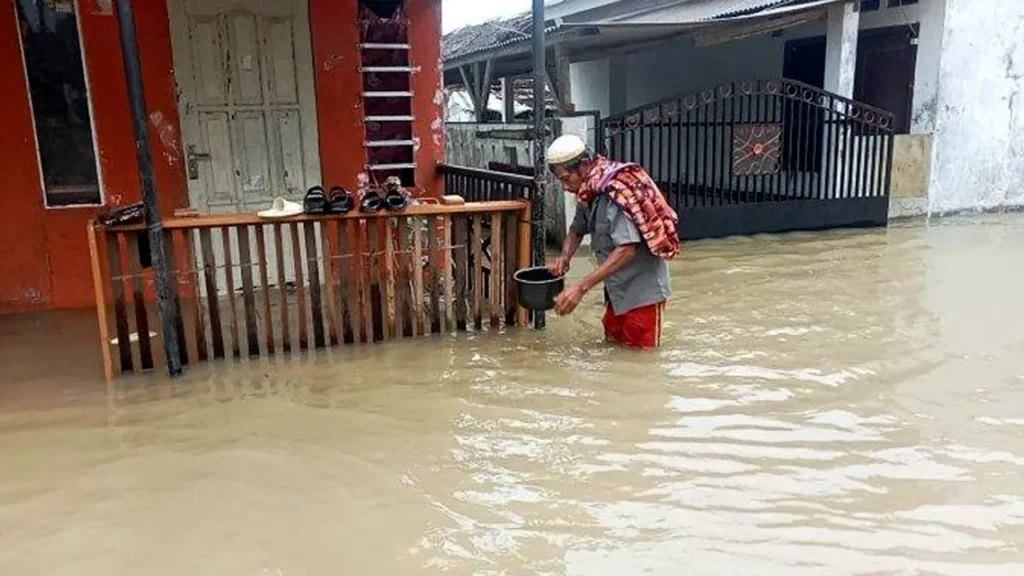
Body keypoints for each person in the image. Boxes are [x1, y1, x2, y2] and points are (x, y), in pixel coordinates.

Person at [546, 134, 680, 349]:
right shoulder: (588, 192)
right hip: (616, 291)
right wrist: (564, 258)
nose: (565, 187)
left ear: (584, 166)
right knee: (613, 346)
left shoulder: (614, 194)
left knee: (640, 361)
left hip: (642, 292)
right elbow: (576, 229)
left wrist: (580, 288)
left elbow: (627, 250)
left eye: (565, 179)